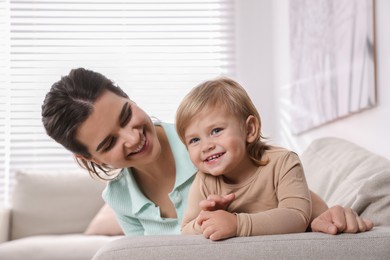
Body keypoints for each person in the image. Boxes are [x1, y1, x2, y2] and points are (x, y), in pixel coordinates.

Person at [41, 68, 373, 237]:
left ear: (129, 97)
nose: (132, 137)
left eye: (127, 115)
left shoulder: (209, 147)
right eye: (108, 144)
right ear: (90, 159)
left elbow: (283, 193)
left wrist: (327, 216)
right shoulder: (120, 199)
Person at [176, 77, 312, 240]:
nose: (206, 146)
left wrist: (237, 224)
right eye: (195, 140)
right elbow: (185, 230)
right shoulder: (204, 181)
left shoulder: (283, 162)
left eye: (216, 130)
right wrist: (206, 220)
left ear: (249, 129)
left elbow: (297, 217)